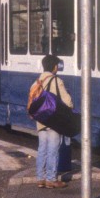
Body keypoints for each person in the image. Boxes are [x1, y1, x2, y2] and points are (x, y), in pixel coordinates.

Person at [31, 54, 72, 189]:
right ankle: (51, 179)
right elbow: (68, 102)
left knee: (42, 148)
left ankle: (40, 178)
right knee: (53, 149)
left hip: (41, 120)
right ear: (55, 67)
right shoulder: (56, 81)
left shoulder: (37, 81)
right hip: (54, 120)